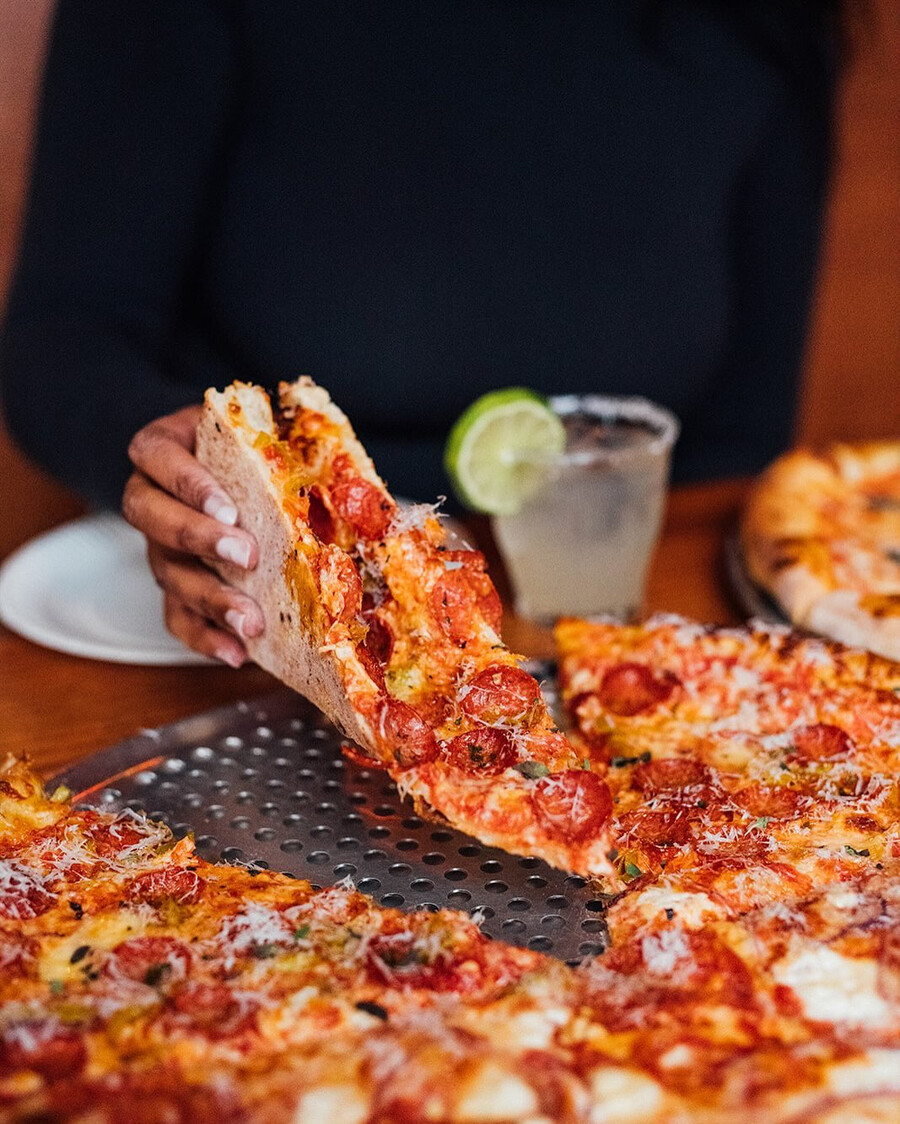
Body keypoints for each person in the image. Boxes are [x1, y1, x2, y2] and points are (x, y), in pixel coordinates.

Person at [0, 0, 839, 667]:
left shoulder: (767, 19)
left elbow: (744, 442)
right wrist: (179, 466)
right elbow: (66, 332)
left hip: (619, 622)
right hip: (250, 610)